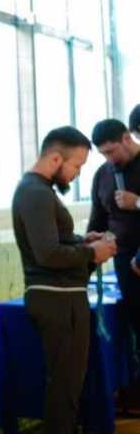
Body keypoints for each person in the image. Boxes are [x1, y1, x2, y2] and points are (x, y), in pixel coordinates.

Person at [13, 126, 116, 433]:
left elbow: (55, 244)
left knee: (68, 386)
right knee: (65, 387)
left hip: (62, 297)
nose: (77, 174)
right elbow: (47, 254)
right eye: (77, 166)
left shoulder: (40, 191)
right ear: (56, 159)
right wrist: (91, 253)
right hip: (57, 300)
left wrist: (83, 242)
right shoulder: (35, 193)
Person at [88, 119, 140, 366]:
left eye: (111, 151)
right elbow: (97, 220)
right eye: (103, 154)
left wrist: (137, 202)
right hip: (124, 261)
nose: (109, 159)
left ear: (127, 138)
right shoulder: (103, 174)